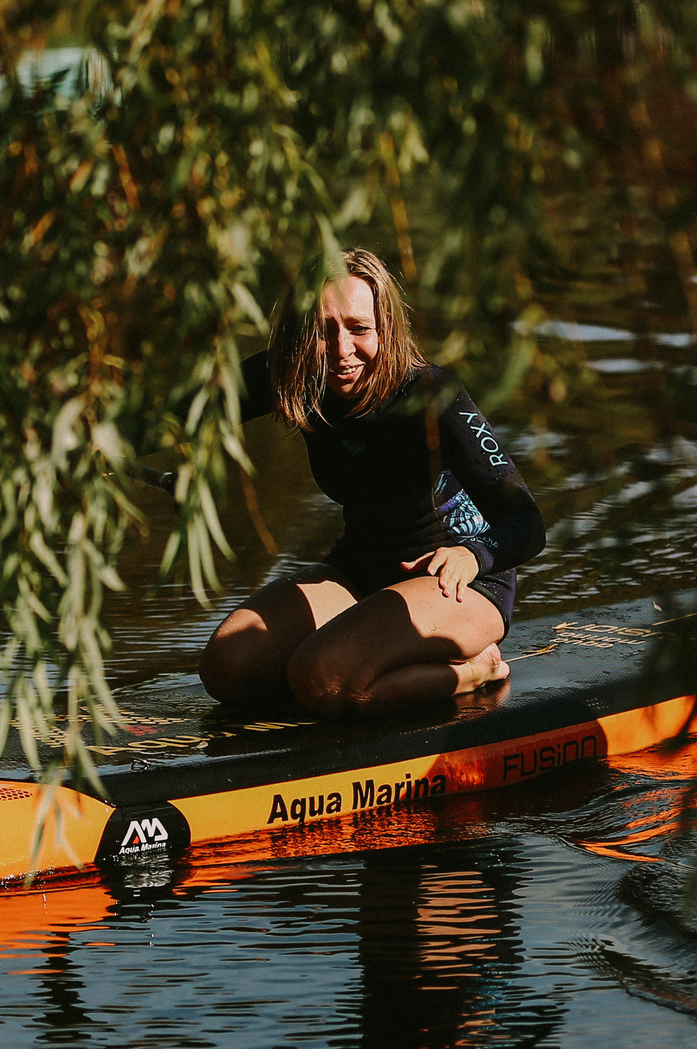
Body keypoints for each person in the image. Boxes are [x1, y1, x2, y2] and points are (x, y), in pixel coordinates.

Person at [197, 248, 546, 719]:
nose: (341, 349)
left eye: (359, 328)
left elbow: (526, 522)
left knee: (321, 678)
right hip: (361, 569)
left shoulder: (431, 394)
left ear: (386, 329)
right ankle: (352, 662)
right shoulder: (289, 374)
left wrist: (472, 556)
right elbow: (179, 414)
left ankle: (474, 670)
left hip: (458, 582)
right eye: (322, 330)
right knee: (228, 666)